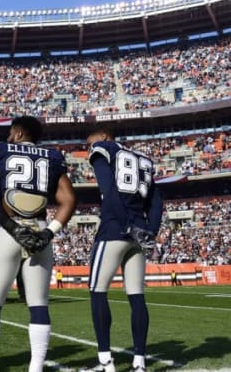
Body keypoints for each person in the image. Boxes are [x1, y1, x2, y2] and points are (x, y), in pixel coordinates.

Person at [0, 116, 76, 372]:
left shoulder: (0, 150)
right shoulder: (53, 157)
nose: (9, 136)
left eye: (11, 132)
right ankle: (36, 368)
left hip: (11, 229)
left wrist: (11, 228)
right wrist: (49, 233)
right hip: (40, 229)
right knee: (39, 304)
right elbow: (69, 200)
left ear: (18, 132)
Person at [83, 127, 163, 372]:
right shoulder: (144, 160)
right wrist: (150, 230)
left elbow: (109, 191)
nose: (88, 147)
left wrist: (126, 224)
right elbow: (156, 201)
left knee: (97, 291)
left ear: (105, 137)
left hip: (115, 228)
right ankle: (139, 363)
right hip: (139, 231)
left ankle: (105, 361)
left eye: (90, 142)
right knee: (136, 295)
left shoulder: (103, 150)